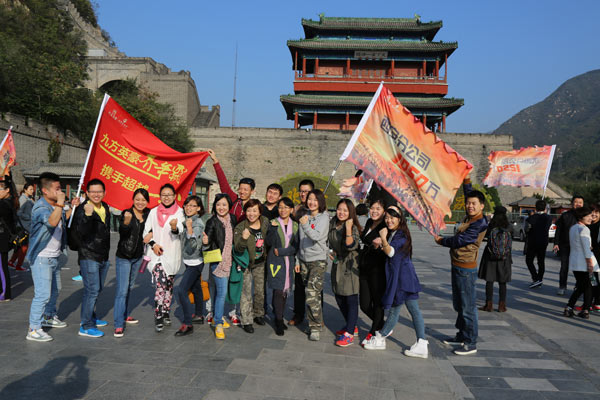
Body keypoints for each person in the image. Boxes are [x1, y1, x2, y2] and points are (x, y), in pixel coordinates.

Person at [364, 205, 428, 358]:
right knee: (408, 310)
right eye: (387, 217)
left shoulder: (401, 234)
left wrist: (383, 239)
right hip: (403, 278)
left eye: (392, 217)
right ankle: (421, 342)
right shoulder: (395, 233)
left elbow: (391, 252)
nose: (389, 220)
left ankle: (381, 338)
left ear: (400, 218)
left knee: (398, 310)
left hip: (402, 280)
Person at [435, 176, 488, 356]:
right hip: (457, 265)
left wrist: (441, 241)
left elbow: (460, 241)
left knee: (467, 307)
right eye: (468, 203)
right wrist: (466, 181)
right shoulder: (471, 217)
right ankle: (461, 335)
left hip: (466, 269)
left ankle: (471, 342)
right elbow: (470, 194)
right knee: (459, 304)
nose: (470, 206)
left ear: (482, 206)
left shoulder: (479, 223)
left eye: (474, 204)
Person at [25, 172, 78, 341]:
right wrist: (61, 203)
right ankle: (33, 329)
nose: (60, 192)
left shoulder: (55, 205)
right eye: (57, 189)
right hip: (42, 257)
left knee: (55, 290)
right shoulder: (40, 207)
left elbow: (62, 220)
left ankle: (48, 316)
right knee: (42, 294)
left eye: (60, 188)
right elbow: (52, 222)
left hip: (54, 256)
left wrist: (72, 207)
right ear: (45, 190)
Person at [143, 183, 185, 332]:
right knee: (160, 285)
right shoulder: (153, 212)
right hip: (155, 256)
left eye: (169, 195)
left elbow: (180, 230)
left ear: (174, 196)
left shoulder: (179, 212)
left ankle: (166, 312)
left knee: (168, 285)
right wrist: (153, 244)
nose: (166, 197)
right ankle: (158, 315)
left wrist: (174, 227)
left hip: (171, 255)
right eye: (163, 195)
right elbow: (146, 232)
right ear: (160, 196)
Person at [74, 178, 112, 338]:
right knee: (92, 290)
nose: (96, 194)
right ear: (87, 193)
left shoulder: (105, 207)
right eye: (93, 192)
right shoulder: (82, 209)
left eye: (99, 191)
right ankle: (86, 325)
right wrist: (88, 215)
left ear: (104, 192)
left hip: (102, 255)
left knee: (96, 290)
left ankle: (91, 317)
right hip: (88, 254)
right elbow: (81, 232)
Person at [113, 188, 149, 338]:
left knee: (129, 287)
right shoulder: (126, 213)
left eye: (143, 200)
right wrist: (126, 223)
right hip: (124, 256)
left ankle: (125, 314)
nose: (140, 202)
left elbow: (153, 229)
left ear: (147, 201)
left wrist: (151, 234)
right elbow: (123, 233)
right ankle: (118, 324)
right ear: (133, 200)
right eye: (137, 199)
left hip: (137, 257)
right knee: (122, 291)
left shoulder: (148, 214)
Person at [297, 189, 329, 341]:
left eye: (316, 200)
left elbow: (316, 236)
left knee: (312, 293)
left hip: (318, 260)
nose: (312, 202)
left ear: (321, 202)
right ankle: (314, 321)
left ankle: (315, 327)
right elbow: (300, 241)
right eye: (310, 199)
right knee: (311, 294)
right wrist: (298, 259)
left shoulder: (324, 218)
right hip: (304, 260)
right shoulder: (305, 216)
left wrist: (305, 225)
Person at [329, 199, 361, 347]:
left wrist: (348, 228)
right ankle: (351, 324)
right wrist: (331, 251)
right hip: (337, 263)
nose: (341, 212)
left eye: (345, 210)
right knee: (338, 295)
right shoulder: (333, 223)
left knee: (350, 298)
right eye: (339, 209)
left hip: (350, 264)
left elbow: (350, 245)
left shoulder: (352, 227)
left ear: (350, 212)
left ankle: (349, 333)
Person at [203, 193, 236, 339]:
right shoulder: (212, 221)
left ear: (229, 206)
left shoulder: (232, 219)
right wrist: (205, 242)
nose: (221, 207)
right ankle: (218, 323)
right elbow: (208, 240)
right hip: (217, 262)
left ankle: (217, 317)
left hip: (229, 261)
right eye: (218, 204)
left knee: (218, 292)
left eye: (224, 204)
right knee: (221, 293)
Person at [233, 199, 269, 333]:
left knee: (259, 291)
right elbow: (237, 249)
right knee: (246, 292)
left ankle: (258, 314)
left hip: (260, 262)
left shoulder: (265, 222)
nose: (251, 214)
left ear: (260, 212)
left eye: (255, 210)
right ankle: (247, 320)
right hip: (246, 264)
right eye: (249, 210)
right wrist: (243, 238)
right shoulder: (240, 227)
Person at [265, 197, 299, 336]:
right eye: (280, 207)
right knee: (278, 291)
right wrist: (273, 229)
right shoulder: (273, 223)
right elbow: (269, 242)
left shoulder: (296, 226)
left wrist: (283, 251)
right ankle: (279, 321)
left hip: (289, 261)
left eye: (286, 207)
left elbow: (296, 246)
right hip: (275, 262)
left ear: (291, 209)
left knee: (284, 291)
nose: (283, 210)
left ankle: (279, 315)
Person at [173, 195, 206, 337]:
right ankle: (199, 315)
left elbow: (194, 246)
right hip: (190, 261)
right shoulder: (188, 220)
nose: (189, 208)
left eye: (193, 205)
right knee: (196, 288)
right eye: (187, 205)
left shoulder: (197, 223)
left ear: (198, 208)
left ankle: (187, 324)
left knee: (182, 290)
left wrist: (189, 229)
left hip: (195, 262)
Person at [359, 199, 388, 345]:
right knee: (364, 305)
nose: (374, 211)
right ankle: (382, 325)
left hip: (378, 270)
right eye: (372, 208)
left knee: (377, 303)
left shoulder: (385, 227)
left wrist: (381, 242)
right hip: (364, 268)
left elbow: (387, 248)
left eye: (378, 208)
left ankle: (374, 331)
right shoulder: (369, 222)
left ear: (384, 211)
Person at [563, 206, 598, 319]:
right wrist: (590, 264)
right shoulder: (584, 229)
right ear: (581, 217)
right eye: (588, 216)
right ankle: (570, 307)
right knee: (586, 286)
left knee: (586, 286)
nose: (591, 218)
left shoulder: (573, 228)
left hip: (575, 262)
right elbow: (586, 249)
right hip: (585, 264)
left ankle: (584, 310)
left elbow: (578, 244)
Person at [289, 178, 314, 326]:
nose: (303, 194)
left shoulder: (316, 210)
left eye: (306, 191)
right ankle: (298, 314)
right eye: (301, 191)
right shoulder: (296, 209)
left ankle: (316, 316)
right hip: (298, 252)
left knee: (315, 288)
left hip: (313, 253)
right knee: (299, 286)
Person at [478, 206, 513, 313]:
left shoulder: (491, 225)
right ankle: (502, 306)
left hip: (490, 256)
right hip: (505, 257)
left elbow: (485, 236)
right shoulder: (509, 226)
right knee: (502, 282)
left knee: (490, 280)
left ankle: (489, 305)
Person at [208, 149, 255, 222]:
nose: (242, 192)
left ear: (252, 191)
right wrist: (215, 161)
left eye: (245, 190)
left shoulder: (255, 206)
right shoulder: (234, 199)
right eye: (240, 189)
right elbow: (223, 183)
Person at [554, 195, 585, 295]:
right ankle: (562, 286)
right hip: (565, 245)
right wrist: (556, 243)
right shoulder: (565, 215)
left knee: (579, 268)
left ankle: (579, 286)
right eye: (576, 202)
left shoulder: (586, 216)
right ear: (572, 204)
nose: (578, 204)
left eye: (580, 202)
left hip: (580, 246)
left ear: (583, 204)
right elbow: (558, 230)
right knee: (564, 267)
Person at [525, 200, 553, 289]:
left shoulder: (530, 218)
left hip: (532, 241)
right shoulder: (548, 218)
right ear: (545, 208)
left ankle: (535, 278)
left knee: (529, 260)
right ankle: (539, 279)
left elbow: (526, 230)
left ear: (535, 208)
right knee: (541, 261)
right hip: (543, 241)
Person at [9, 183, 35, 271]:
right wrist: (30, 217)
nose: (32, 191)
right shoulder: (23, 199)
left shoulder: (29, 198)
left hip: (26, 225)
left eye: (33, 189)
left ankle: (12, 262)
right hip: (23, 226)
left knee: (20, 246)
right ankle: (18, 265)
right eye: (30, 189)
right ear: (25, 190)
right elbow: (19, 213)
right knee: (24, 246)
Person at [0, 179, 17, 301]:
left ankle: (5, 293)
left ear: (7, 190)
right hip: (3, 238)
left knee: (2, 267)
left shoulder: (5, 204)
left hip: (2, 239)